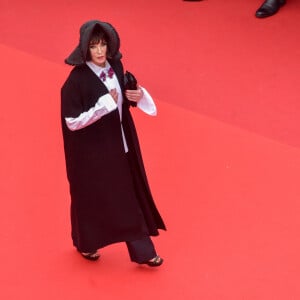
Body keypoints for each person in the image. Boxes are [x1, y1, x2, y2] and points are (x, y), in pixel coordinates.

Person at [61, 20, 166, 267]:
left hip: (122, 145)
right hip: (93, 155)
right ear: (85, 48)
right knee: (90, 198)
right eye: (94, 46)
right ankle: (88, 243)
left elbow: (124, 103)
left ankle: (139, 250)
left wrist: (136, 96)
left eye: (103, 45)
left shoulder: (116, 67)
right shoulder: (75, 82)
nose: (100, 51)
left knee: (128, 195)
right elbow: (72, 122)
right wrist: (103, 106)